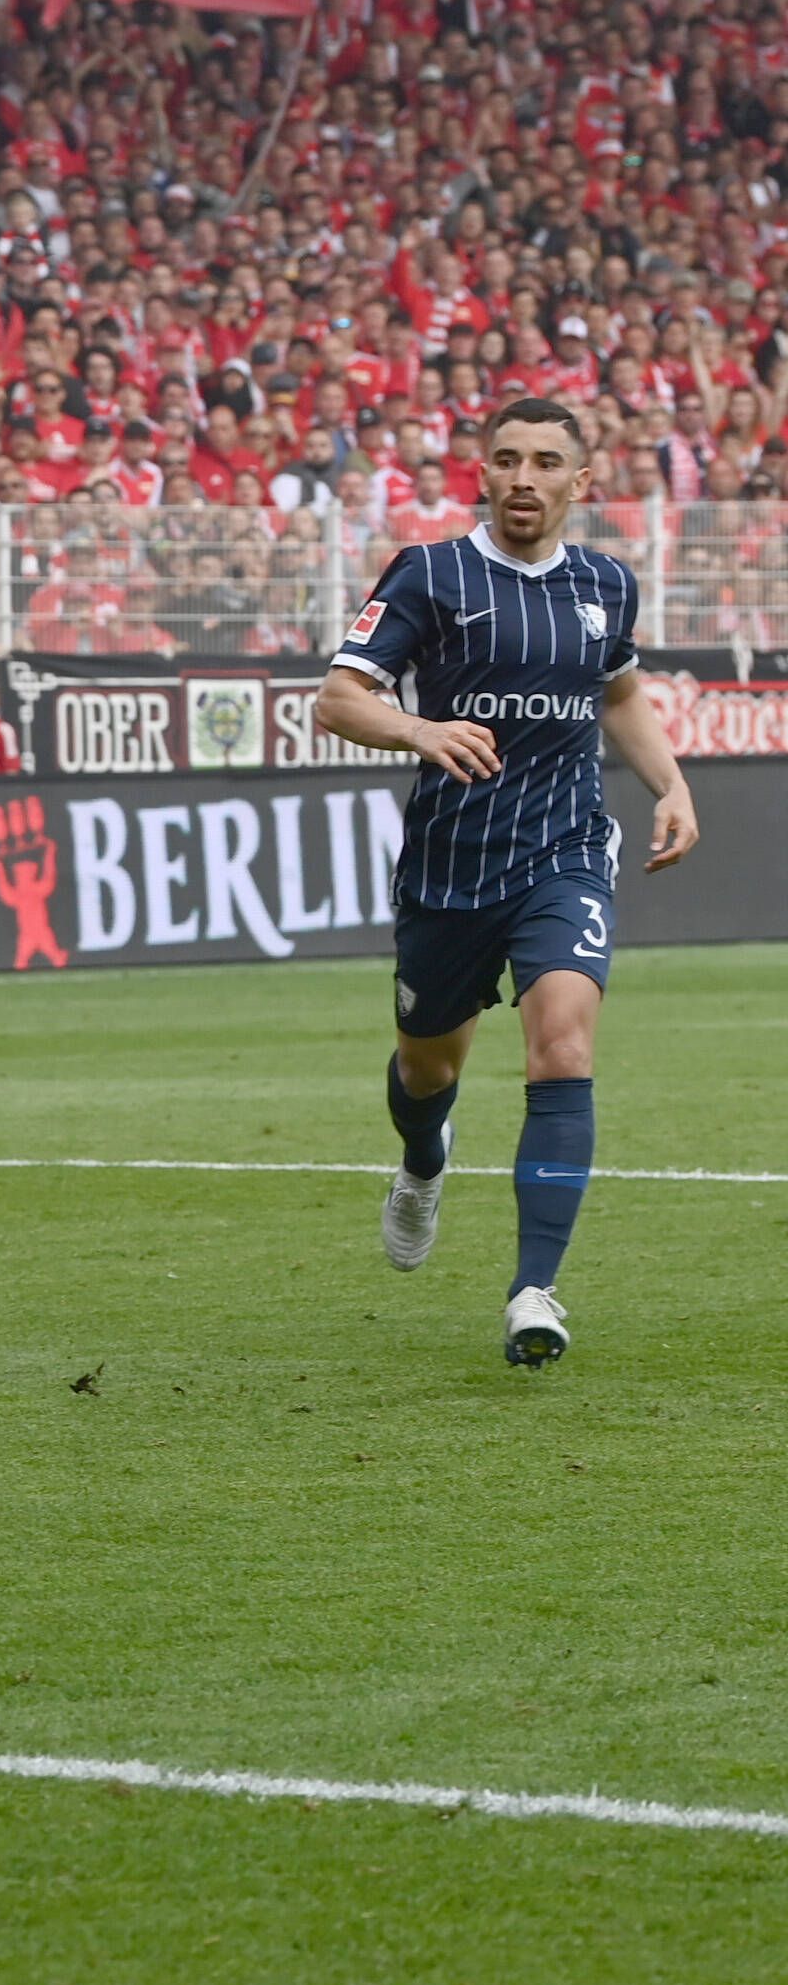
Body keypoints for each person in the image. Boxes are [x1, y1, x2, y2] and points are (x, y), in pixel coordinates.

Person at [315, 399, 701, 1368]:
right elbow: (338, 697)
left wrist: (671, 782)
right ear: (481, 473)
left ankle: (535, 1288)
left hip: (564, 852)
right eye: (507, 459)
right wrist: (418, 728)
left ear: (583, 480)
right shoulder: (431, 571)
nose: (524, 476)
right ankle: (421, 1159)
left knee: (561, 1043)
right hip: (450, 867)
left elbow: (614, 690)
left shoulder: (607, 582)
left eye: (546, 461)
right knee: (427, 1069)